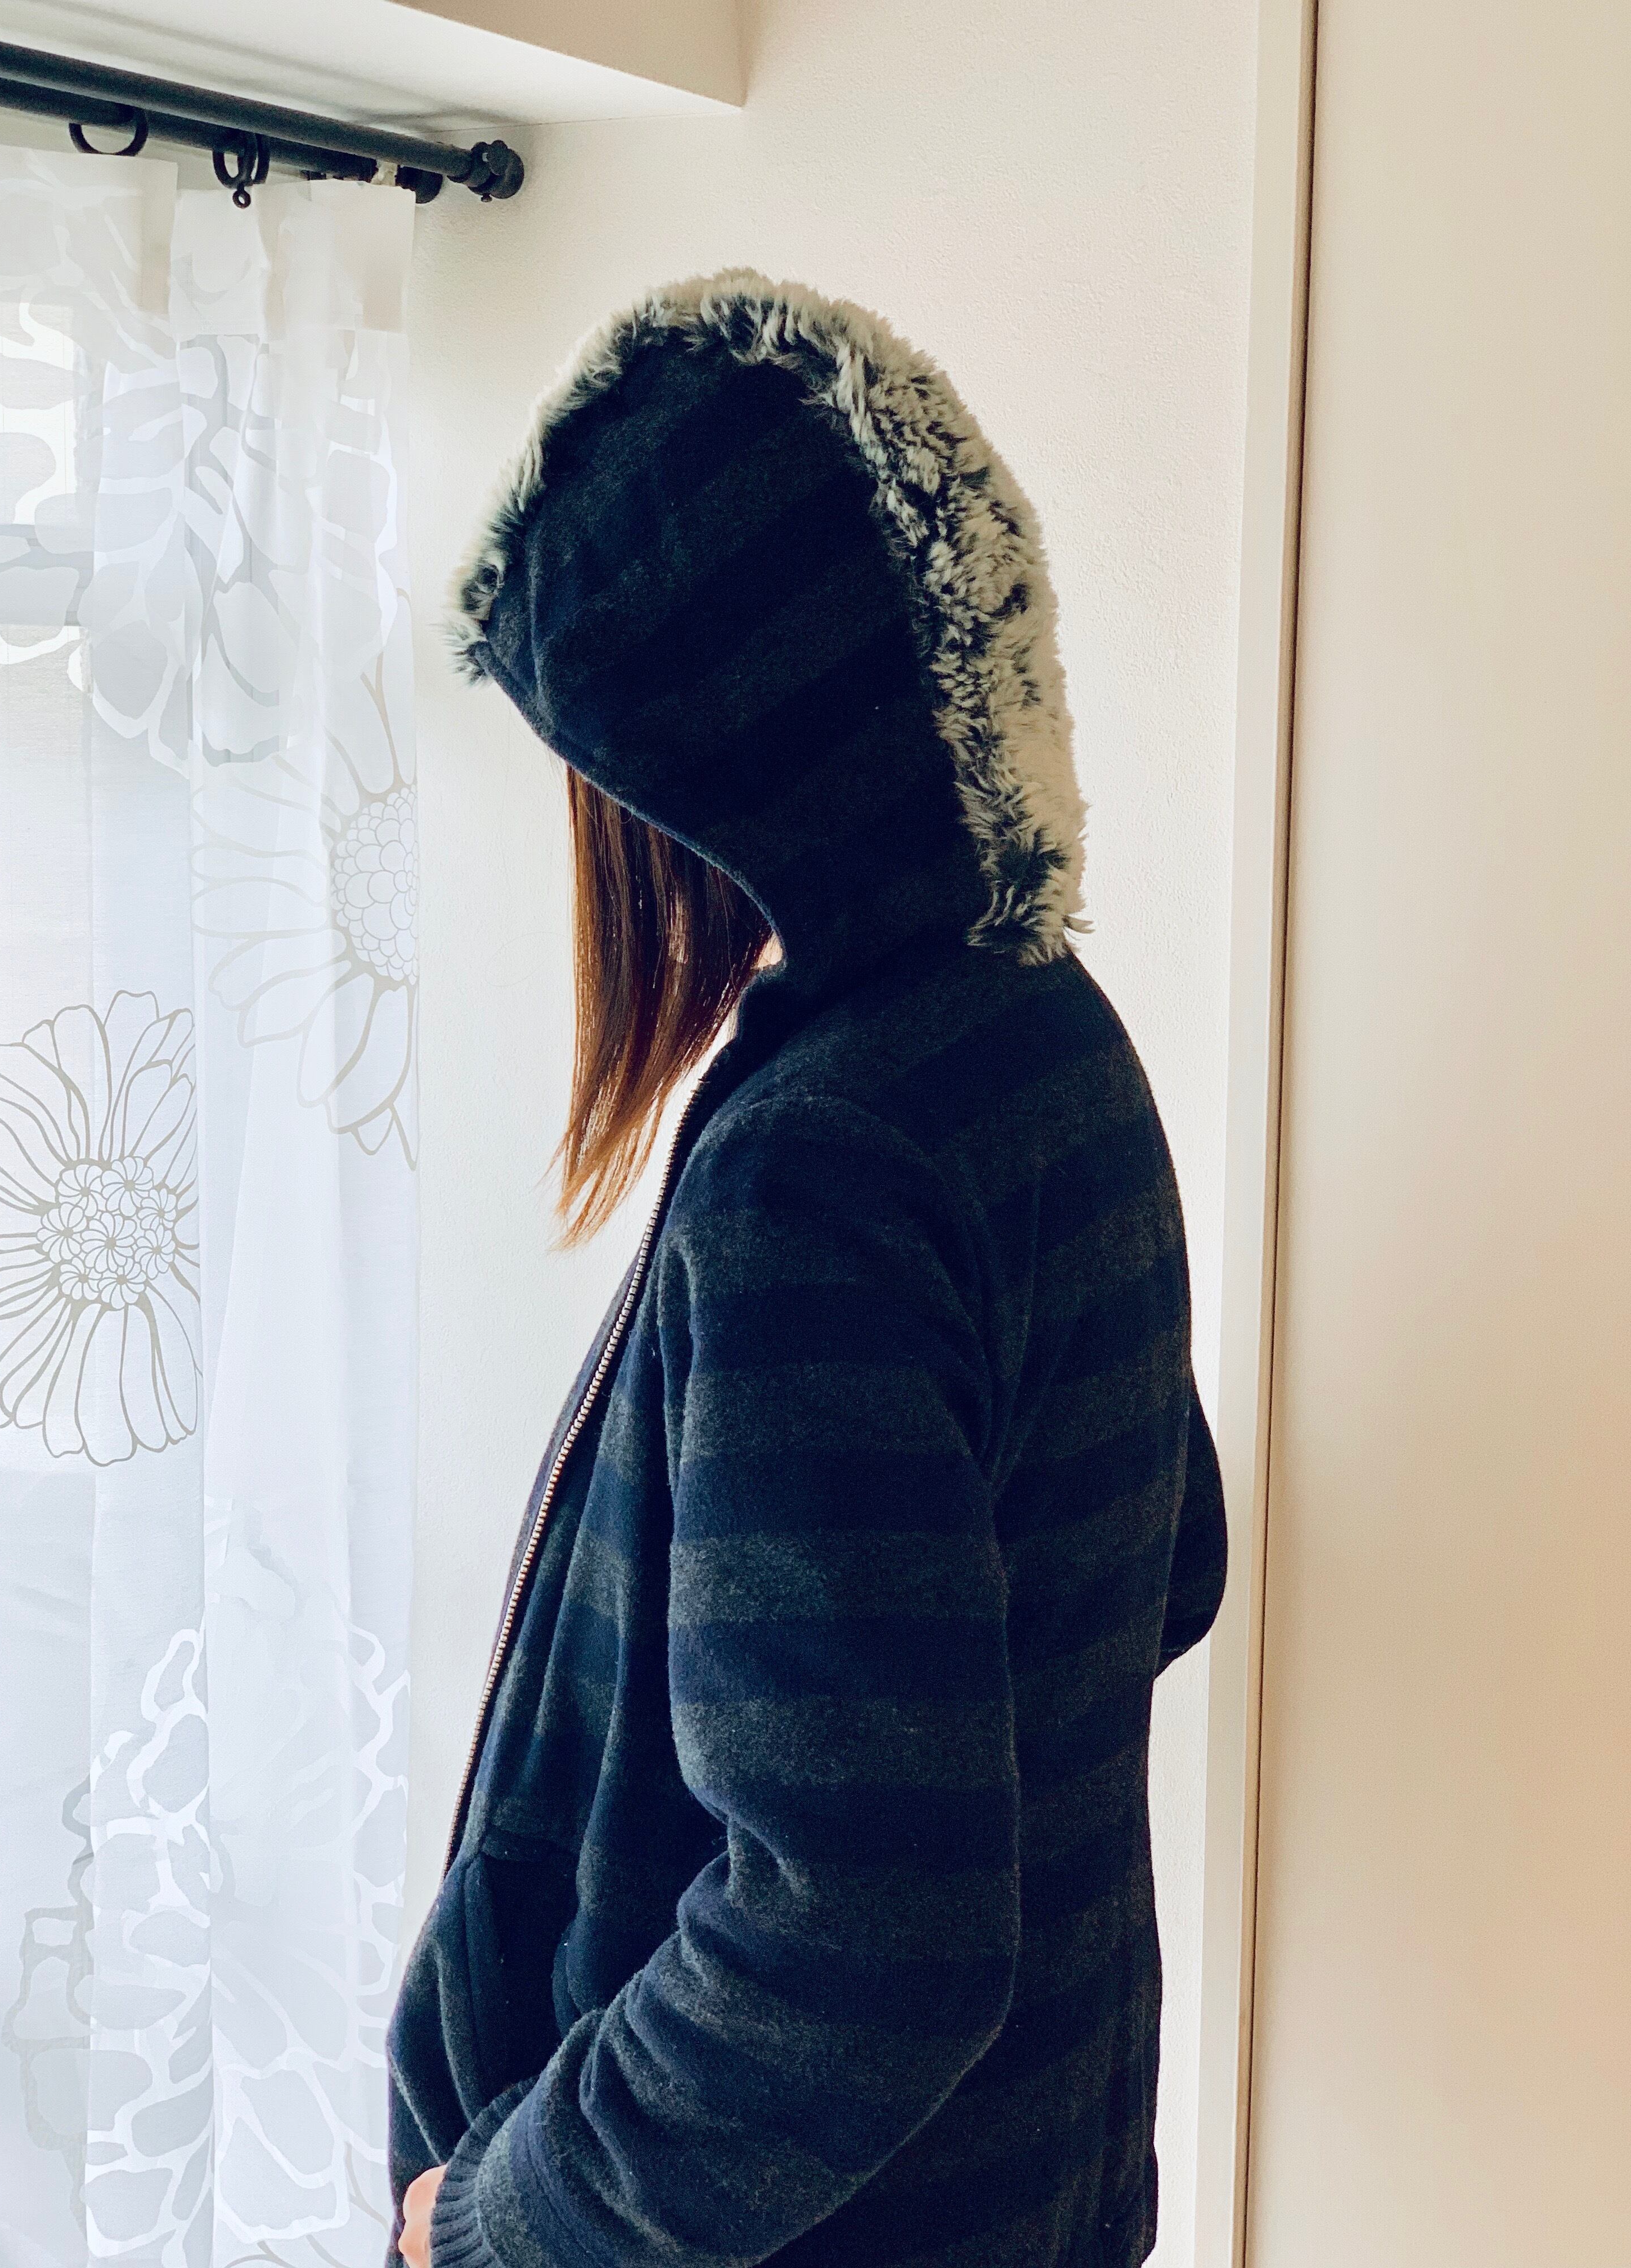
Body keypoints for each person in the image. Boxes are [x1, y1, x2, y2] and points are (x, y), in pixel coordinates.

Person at [387, 271, 1226, 2268]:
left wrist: (488, 2222)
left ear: (718, 775)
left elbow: (860, 1941)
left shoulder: (817, 1172)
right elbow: (1166, 1557)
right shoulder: (1044, 1039)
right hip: (1038, 2191)